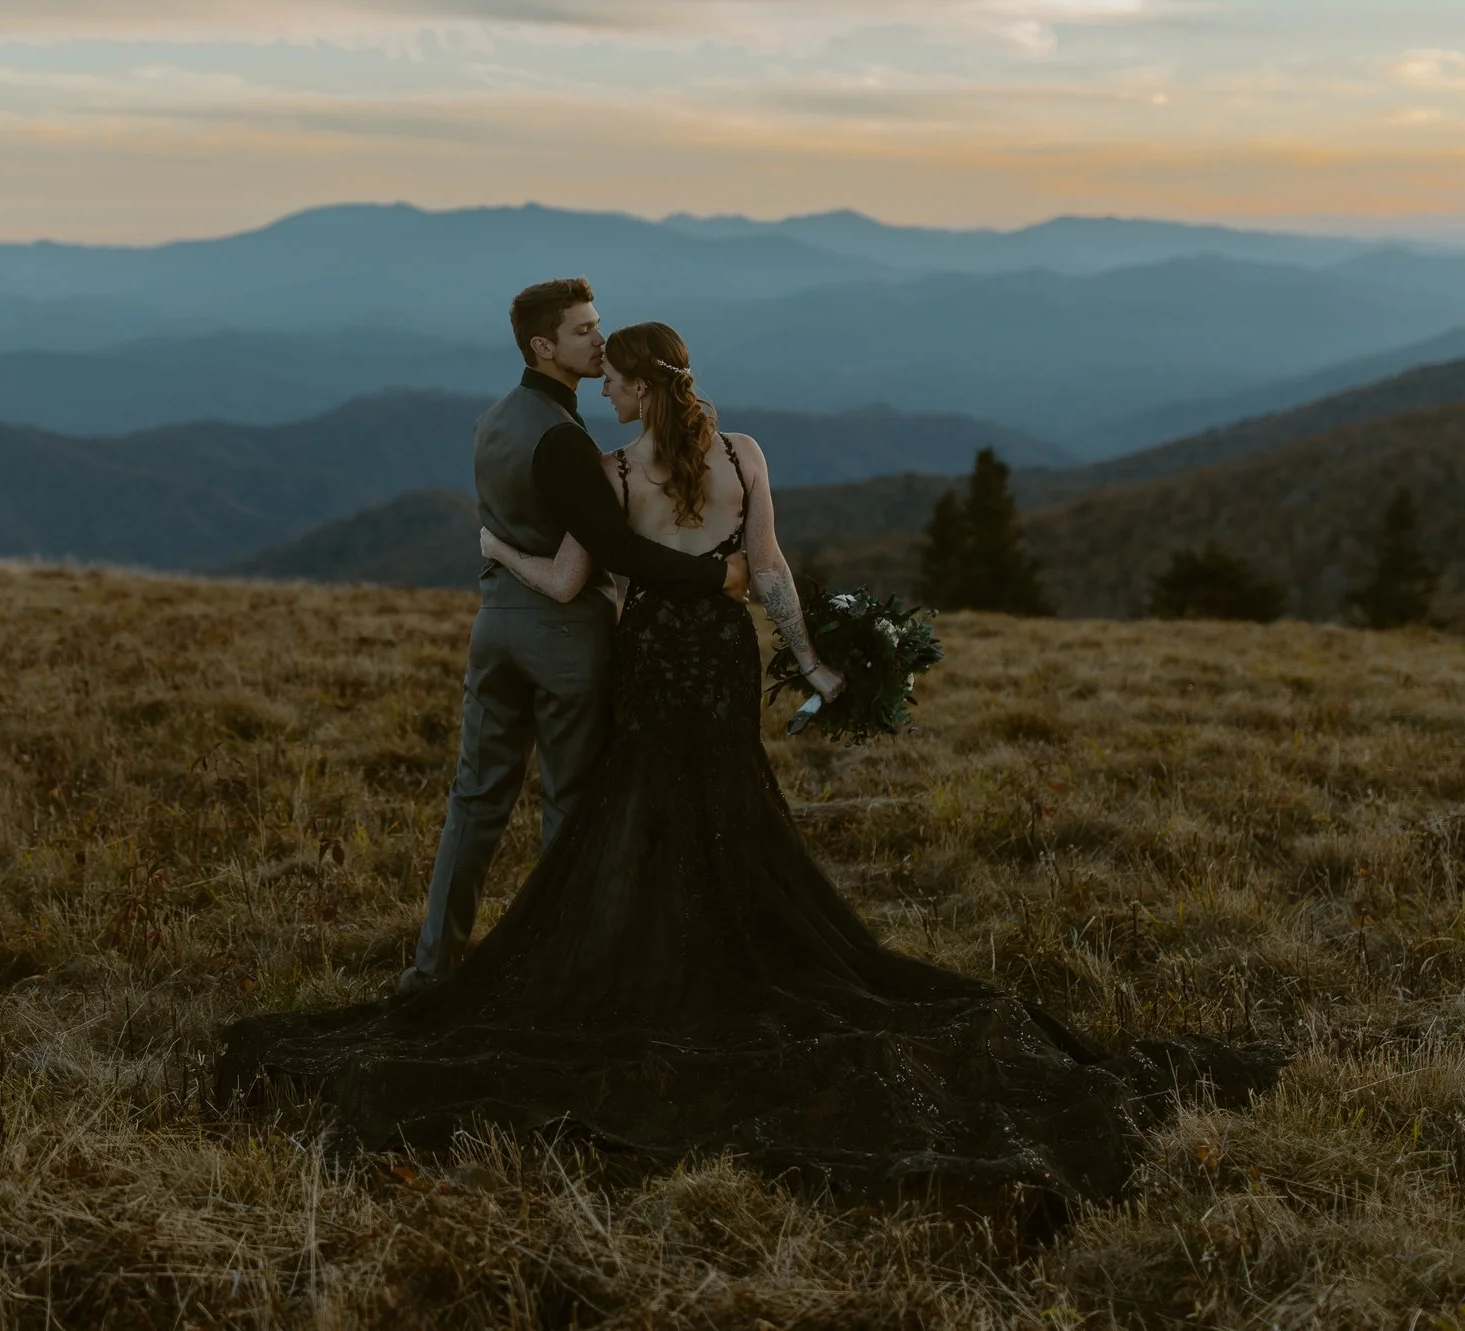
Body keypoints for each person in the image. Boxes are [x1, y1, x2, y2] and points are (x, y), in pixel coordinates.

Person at [218, 322, 1279, 1212]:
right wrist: (813, 662)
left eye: (615, 381)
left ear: (636, 388)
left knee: (641, 813)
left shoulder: (615, 469)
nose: (608, 391)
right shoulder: (746, 455)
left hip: (652, 659)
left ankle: (657, 959)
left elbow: (566, 580)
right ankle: (723, 948)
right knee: (729, 806)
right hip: (720, 664)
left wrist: (495, 551)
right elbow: (766, 570)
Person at [399, 280, 749, 996]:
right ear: (543, 346)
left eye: (598, 325)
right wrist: (715, 576)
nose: (599, 340)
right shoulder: (563, 440)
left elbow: (508, 527)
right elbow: (616, 550)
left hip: (495, 628)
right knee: (568, 804)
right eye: (584, 330)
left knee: (475, 801)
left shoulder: (492, 420)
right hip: (563, 642)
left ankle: (431, 967)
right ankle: (565, 974)